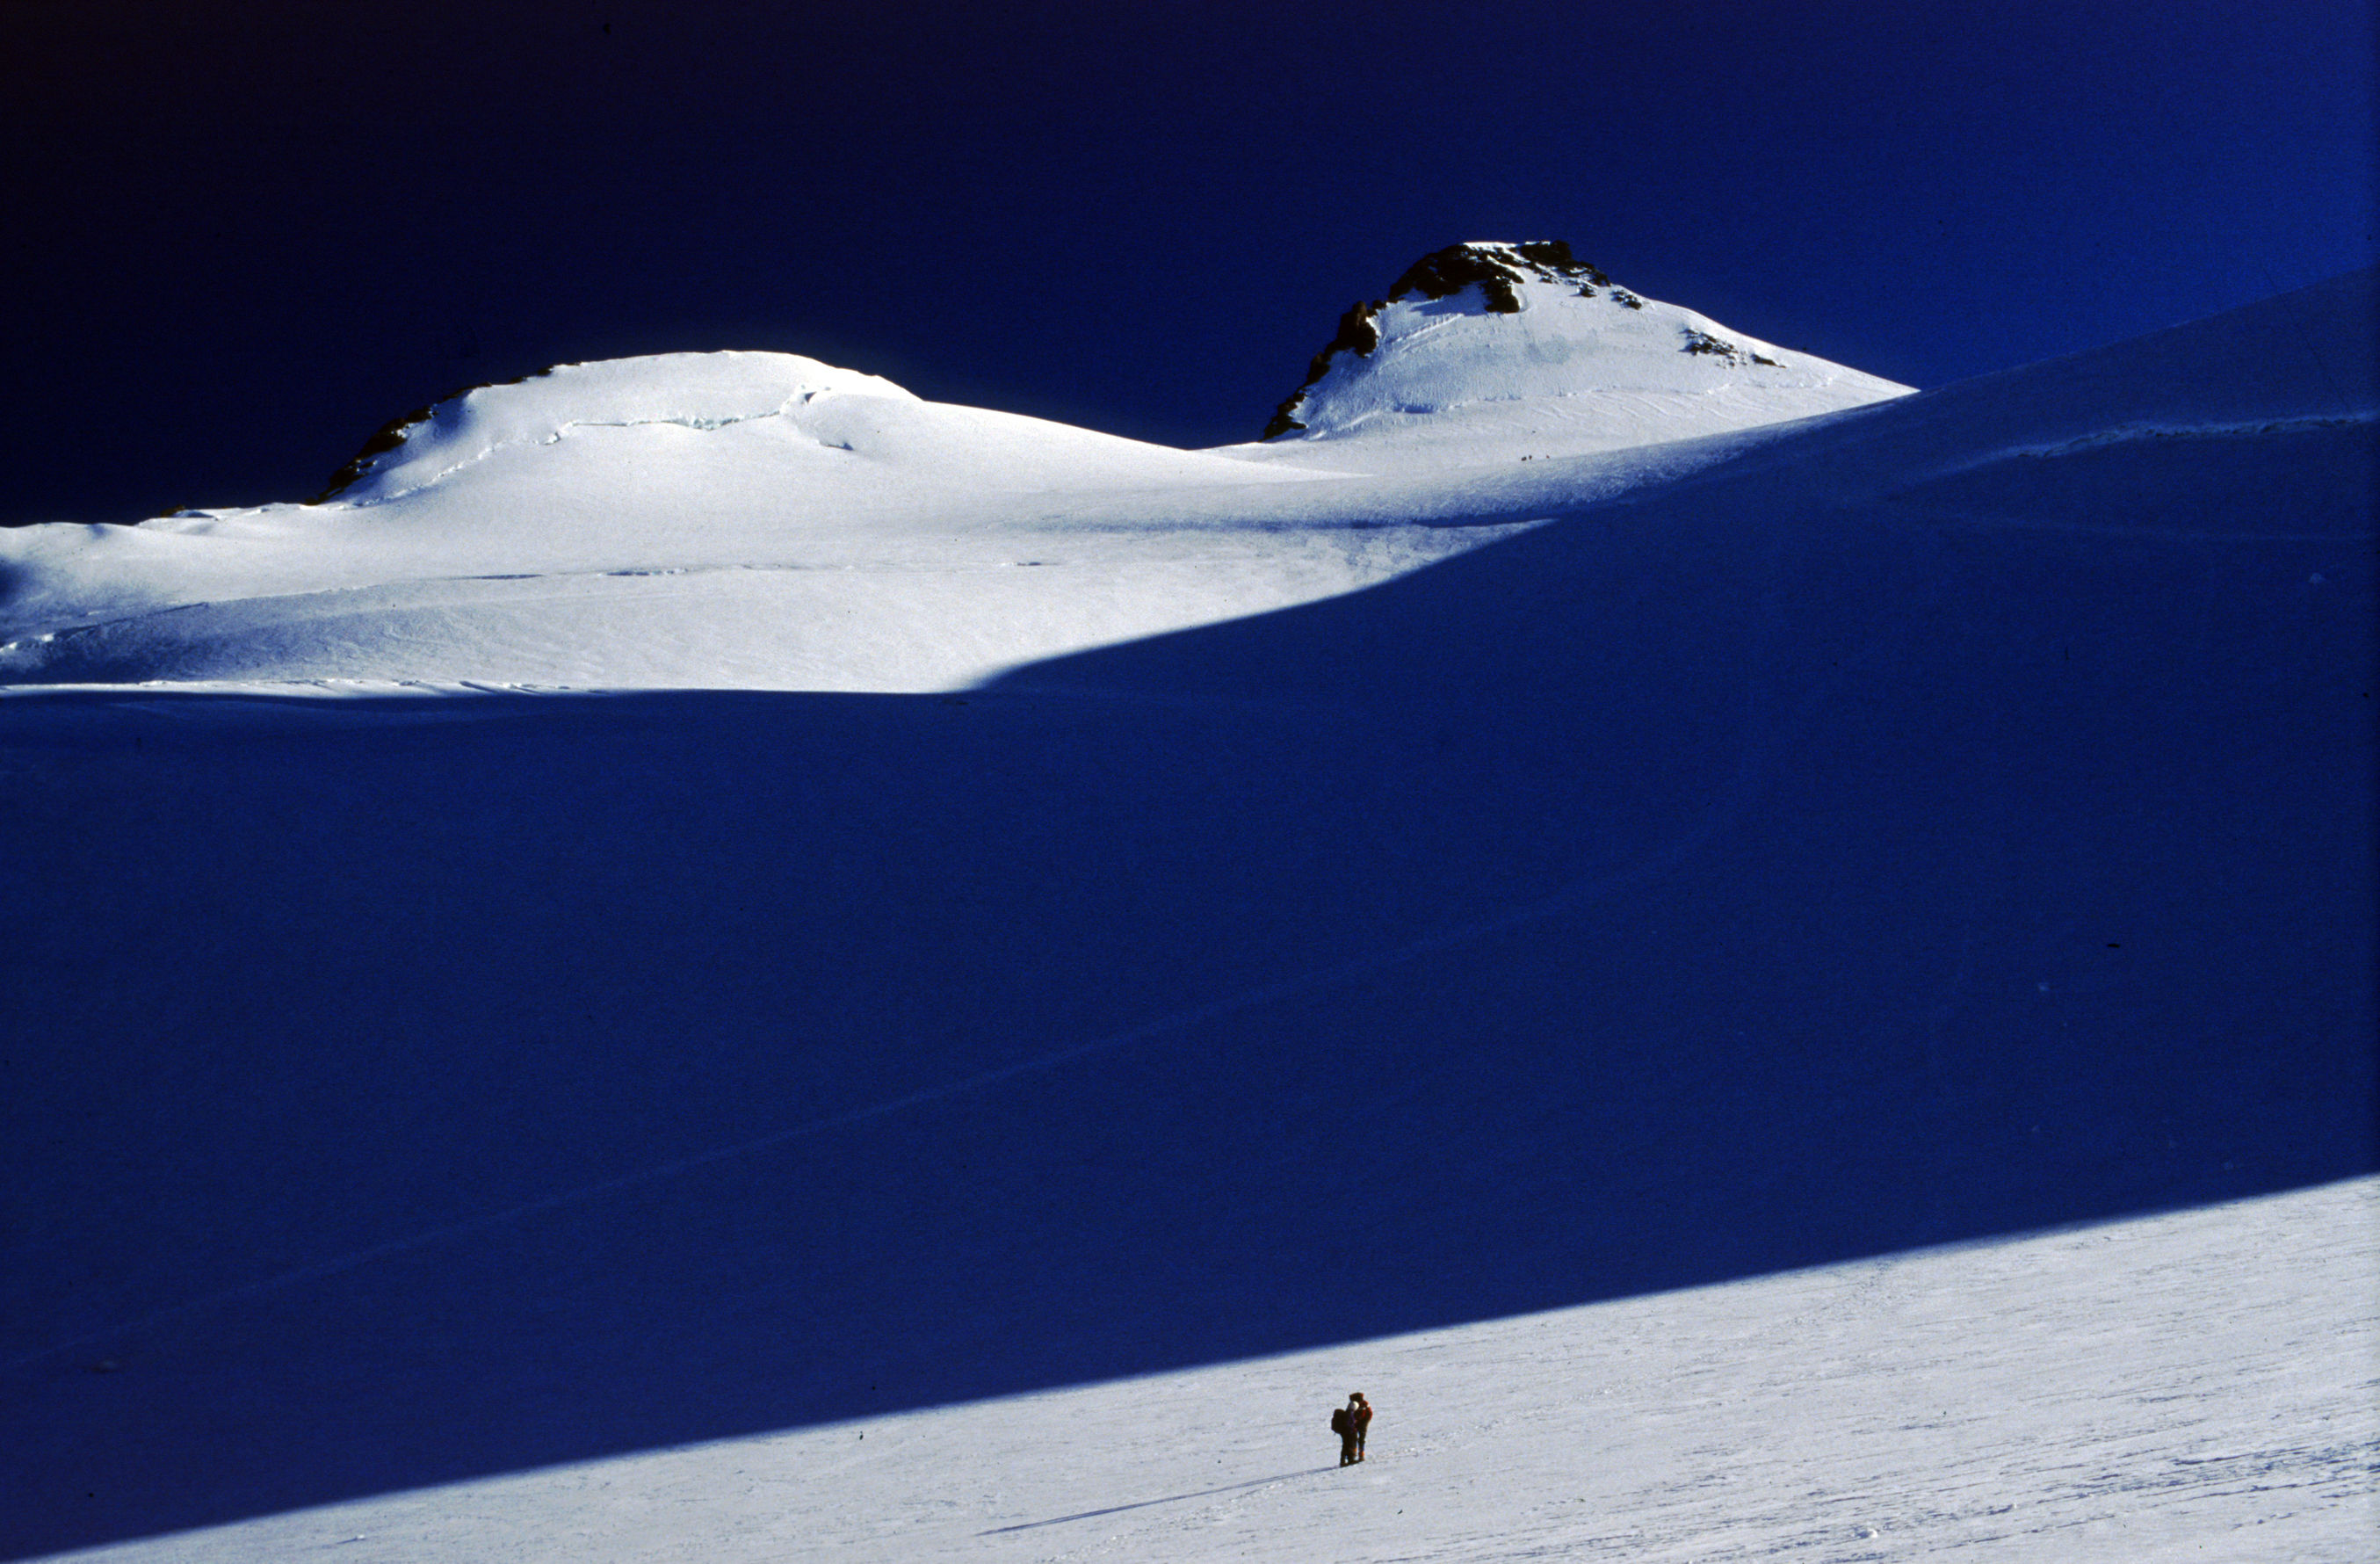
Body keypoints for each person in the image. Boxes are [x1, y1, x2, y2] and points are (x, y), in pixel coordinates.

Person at [1349, 1393, 1372, 1462]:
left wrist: (1356, 1421)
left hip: (1362, 1423)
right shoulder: (1362, 1403)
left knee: (1359, 1438)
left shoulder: (1362, 1404)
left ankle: (1359, 1453)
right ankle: (1358, 1453)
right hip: (1360, 1423)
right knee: (1358, 1438)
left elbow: (1361, 1414)